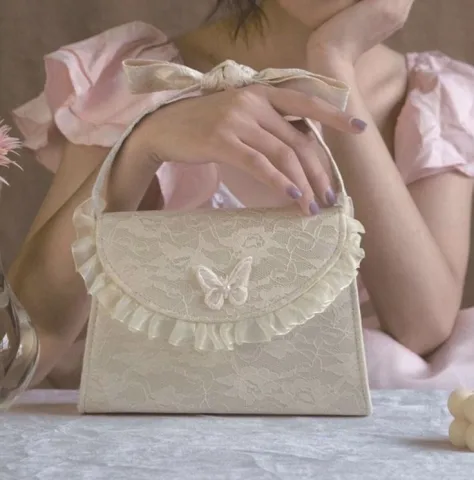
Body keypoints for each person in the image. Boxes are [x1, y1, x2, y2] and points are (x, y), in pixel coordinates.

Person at [8, 0, 474, 388]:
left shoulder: (430, 96)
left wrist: (333, 63)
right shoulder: (144, 75)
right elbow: (22, 347)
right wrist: (139, 148)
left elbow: (422, 329)